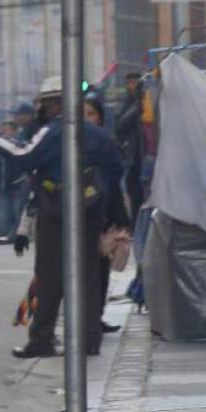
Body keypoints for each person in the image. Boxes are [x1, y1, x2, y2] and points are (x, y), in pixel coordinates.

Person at [0, 76, 120, 359]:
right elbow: (114, 174)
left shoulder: (54, 131)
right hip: (92, 212)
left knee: (49, 278)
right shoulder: (100, 135)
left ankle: (42, 339)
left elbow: (26, 157)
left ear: (52, 104)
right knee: (88, 276)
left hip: (56, 210)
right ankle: (88, 339)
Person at [84, 93, 132, 334]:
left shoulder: (106, 143)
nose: (86, 119)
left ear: (100, 117)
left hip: (103, 213)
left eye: (91, 114)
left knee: (101, 270)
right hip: (80, 215)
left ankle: (96, 316)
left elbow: (115, 181)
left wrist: (120, 219)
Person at [115, 72, 146, 222]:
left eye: (134, 83)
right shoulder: (129, 103)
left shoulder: (142, 103)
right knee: (133, 192)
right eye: (129, 83)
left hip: (142, 155)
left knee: (139, 193)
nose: (130, 86)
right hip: (133, 156)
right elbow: (120, 126)